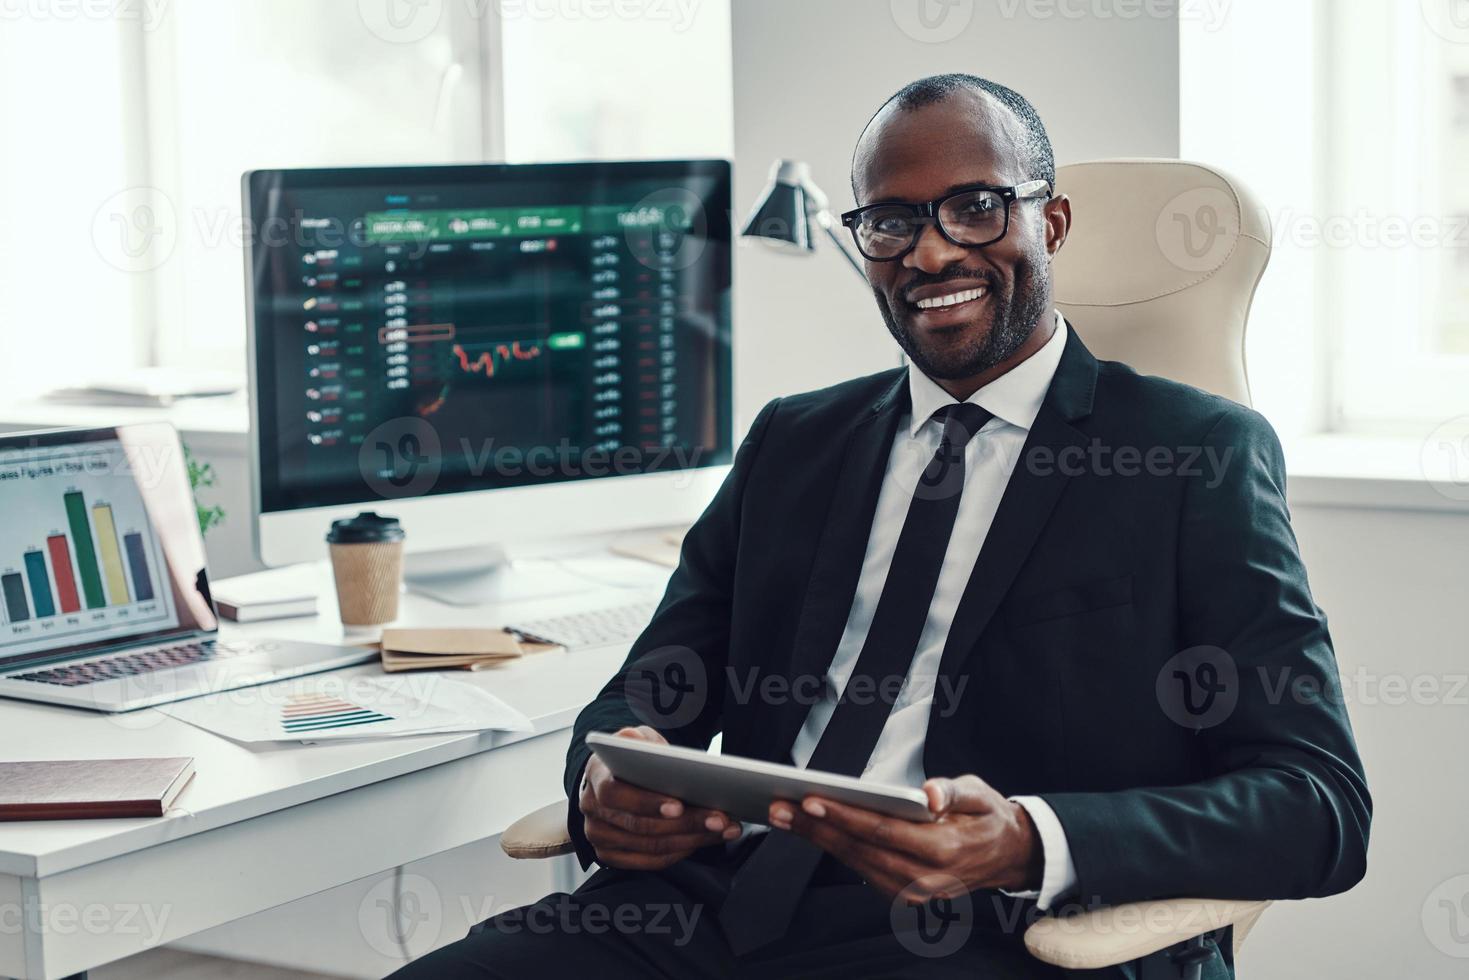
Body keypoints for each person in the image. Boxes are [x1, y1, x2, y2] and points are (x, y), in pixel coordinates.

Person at [390, 72, 1370, 979]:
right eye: (892, 221)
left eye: (976, 206)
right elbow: (650, 689)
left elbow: (1317, 804)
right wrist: (602, 778)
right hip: (710, 904)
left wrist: (1027, 836)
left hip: (994, 934)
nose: (932, 249)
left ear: (1051, 221)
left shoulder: (1192, 452)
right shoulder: (793, 439)